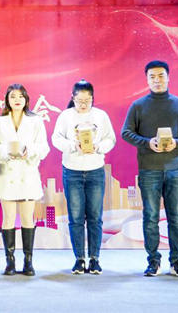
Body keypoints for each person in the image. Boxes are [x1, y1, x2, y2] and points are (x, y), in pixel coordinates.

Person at [121, 60, 178, 277]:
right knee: (151, 217)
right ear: (147, 79)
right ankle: (153, 261)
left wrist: (177, 142)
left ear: (168, 77)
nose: (157, 80)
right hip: (149, 169)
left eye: (161, 75)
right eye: (152, 77)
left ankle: (176, 261)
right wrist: (148, 142)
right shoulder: (138, 105)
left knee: (177, 218)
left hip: (175, 169)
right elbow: (126, 132)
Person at [52, 79, 116, 275]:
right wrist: (73, 146)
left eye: (87, 100)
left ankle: (94, 259)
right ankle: (79, 258)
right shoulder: (65, 116)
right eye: (79, 100)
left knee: (95, 217)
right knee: (76, 217)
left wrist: (98, 147)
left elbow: (110, 139)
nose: (83, 104)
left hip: (95, 170)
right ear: (72, 98)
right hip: (72, 170)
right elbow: (56, 138)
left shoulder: (101, 116)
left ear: (92, 98)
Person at [0, 84, 50, 276]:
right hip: (7, 175)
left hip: (27, 174)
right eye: (13, 96)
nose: (17, 100)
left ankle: (28, 261)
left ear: (26, 100)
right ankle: (10, 261)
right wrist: (6, 152)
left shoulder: (35, 120)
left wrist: (28, 151)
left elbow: (44, 147)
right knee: (7, 218)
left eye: (21, 96)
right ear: (7, 99)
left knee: (27, 218)